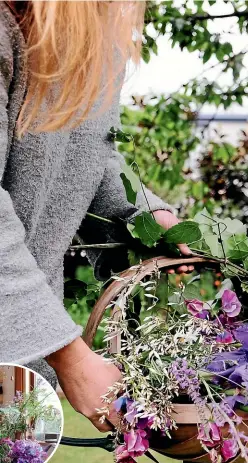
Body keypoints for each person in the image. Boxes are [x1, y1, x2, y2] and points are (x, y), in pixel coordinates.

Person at [0, 1, 192, 432]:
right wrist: (70, 354)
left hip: (15, 377)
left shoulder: (96, 45)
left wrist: (143, 212)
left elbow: (89, 159)